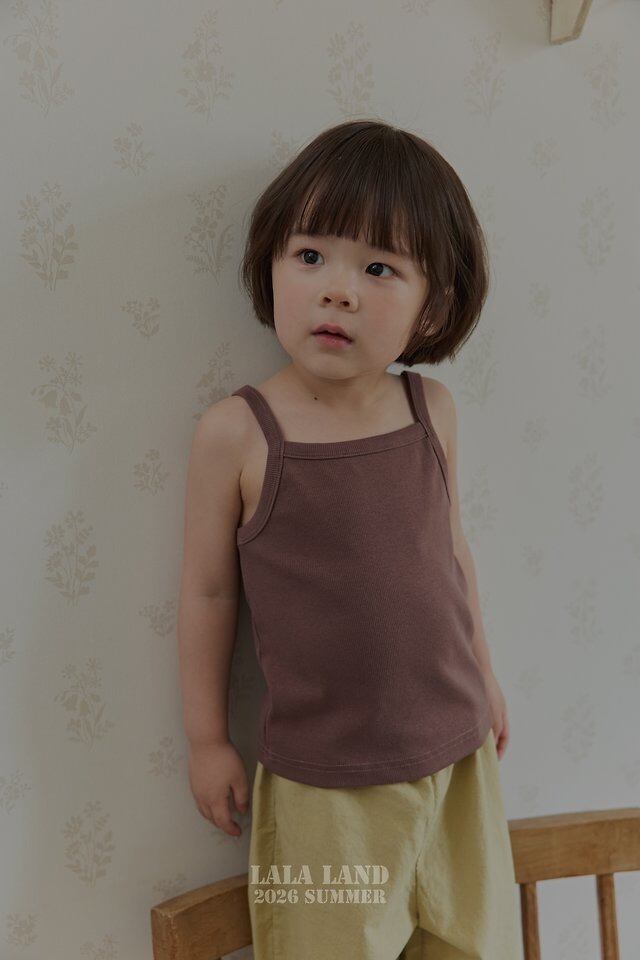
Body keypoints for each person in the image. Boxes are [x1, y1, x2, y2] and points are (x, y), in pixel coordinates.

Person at [177, 118, 522, 959]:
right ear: (269, 265)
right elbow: (208, 593)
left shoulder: (431, 410)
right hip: (322, 788)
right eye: (310, 256)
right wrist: (207, 739)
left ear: (434, 304)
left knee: (473, 944)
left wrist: (485, 675)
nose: (339, 292)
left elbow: (451, 555)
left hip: (458, 761)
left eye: (379, 268)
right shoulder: (238, 433)